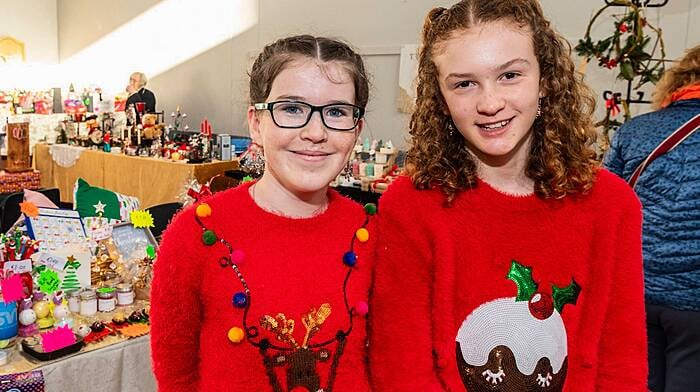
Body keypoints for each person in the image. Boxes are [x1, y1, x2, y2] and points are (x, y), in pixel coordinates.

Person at [368, 1, 647, 391]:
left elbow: (623, 362)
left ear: (545, 79)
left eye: (510, 75)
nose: (490, 103)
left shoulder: (611, 205)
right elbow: (401, 367)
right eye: (464, 83)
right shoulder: (411, 206)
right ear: (442, 99)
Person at [150, 35, 374, 391]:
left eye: (336, 112)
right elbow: (176, 376)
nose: (315, 132)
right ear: (257, 123)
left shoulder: (369, 233)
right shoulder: (197, 233)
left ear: (356, 130)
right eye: (292, 109)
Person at [605, 45, 700, 392]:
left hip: (638, 289)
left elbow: (605, 204)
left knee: (637, 381)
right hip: (695, 300)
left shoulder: (635, 130)